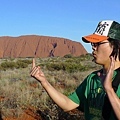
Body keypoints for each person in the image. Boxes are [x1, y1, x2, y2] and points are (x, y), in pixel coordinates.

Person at [30, 20, 120, 120]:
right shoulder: (92, 78)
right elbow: (68, 104)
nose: (93, 48)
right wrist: (44, 81)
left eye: (98, 43)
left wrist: (109, 90)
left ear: (116, 46)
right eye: (92, 44)